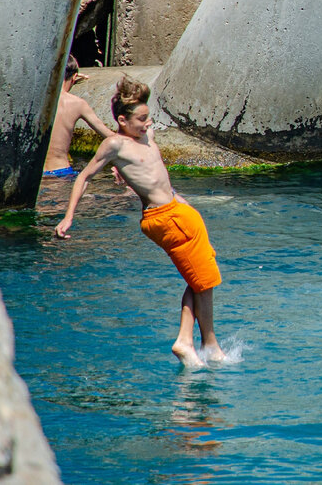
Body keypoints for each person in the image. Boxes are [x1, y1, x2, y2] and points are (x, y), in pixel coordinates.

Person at [54, 75, 224, 368]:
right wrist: (69, 216)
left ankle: (191, 340)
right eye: (141, 119)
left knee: (201, 274)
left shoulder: (146, 135)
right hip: (165, 217)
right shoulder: (115, 145)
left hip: (178, 210)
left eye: (149, 118)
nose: (147, 124)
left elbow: (155, 173)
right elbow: (84, 177)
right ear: (122, 119)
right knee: (203, 278)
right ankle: (206, 344)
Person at [43, 55, 115, 177]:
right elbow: (109, 136)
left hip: (37, 174)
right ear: (74, 77)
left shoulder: (38, 100)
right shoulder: (77, 104)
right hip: (61, 172)